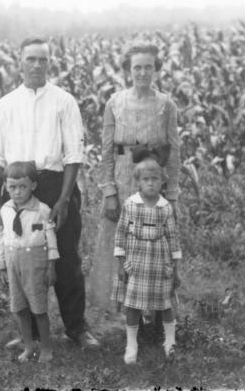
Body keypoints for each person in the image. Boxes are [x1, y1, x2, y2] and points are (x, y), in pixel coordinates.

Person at [0, 37, 100, 349]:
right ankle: (31, 333)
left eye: (43, 60)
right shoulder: (7, 104)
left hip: (55, 185)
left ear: (49, 63)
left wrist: (64, 199)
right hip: (18, 188)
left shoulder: (64, 101)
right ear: (20, 62)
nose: (37, 65)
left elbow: (73, 155)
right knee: (21, 259)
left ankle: (76, 328)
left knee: (65, 258)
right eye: (31, 59)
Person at [89, 43, 181, 328]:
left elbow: (174, 151)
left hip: (153, 180)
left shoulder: (166, 105)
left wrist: (172, 194)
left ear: (156, 70)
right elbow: (106, 150)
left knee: (152, 243)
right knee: (122, 244)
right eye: (137, 67)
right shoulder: (114, 102)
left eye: (148, 67)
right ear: (128, 70)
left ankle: (152, 311)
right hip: (122, 177)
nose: (142, 72)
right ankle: (123, 312)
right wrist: (109, 191)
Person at [112, 157, 182, 364]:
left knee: (166, 304)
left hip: (160, 262)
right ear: (138, 182)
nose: (150, 183)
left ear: (162, 181)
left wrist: (175, 268)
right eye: (146, 179)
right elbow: (121, 233)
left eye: (155, 179)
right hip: (136, 261)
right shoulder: (130, 204)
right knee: (133, 305)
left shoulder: (165, 207)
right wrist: (120, 263)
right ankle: (131, 344)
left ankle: (170, 342)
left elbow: (173, 237)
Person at [0, 161, 58, 363]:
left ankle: (46, 348)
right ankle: (29, 346)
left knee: (38, 308)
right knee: (19, 307)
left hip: (35, 263)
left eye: (23, 186)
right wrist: (2, 264)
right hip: (12, 261)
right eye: (12, 187)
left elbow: (51, 240)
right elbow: (2, 236)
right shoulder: (5, 210)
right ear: (6, 187)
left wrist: (51, 267)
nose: (18, 192)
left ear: (33, 185)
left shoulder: (42, 210)